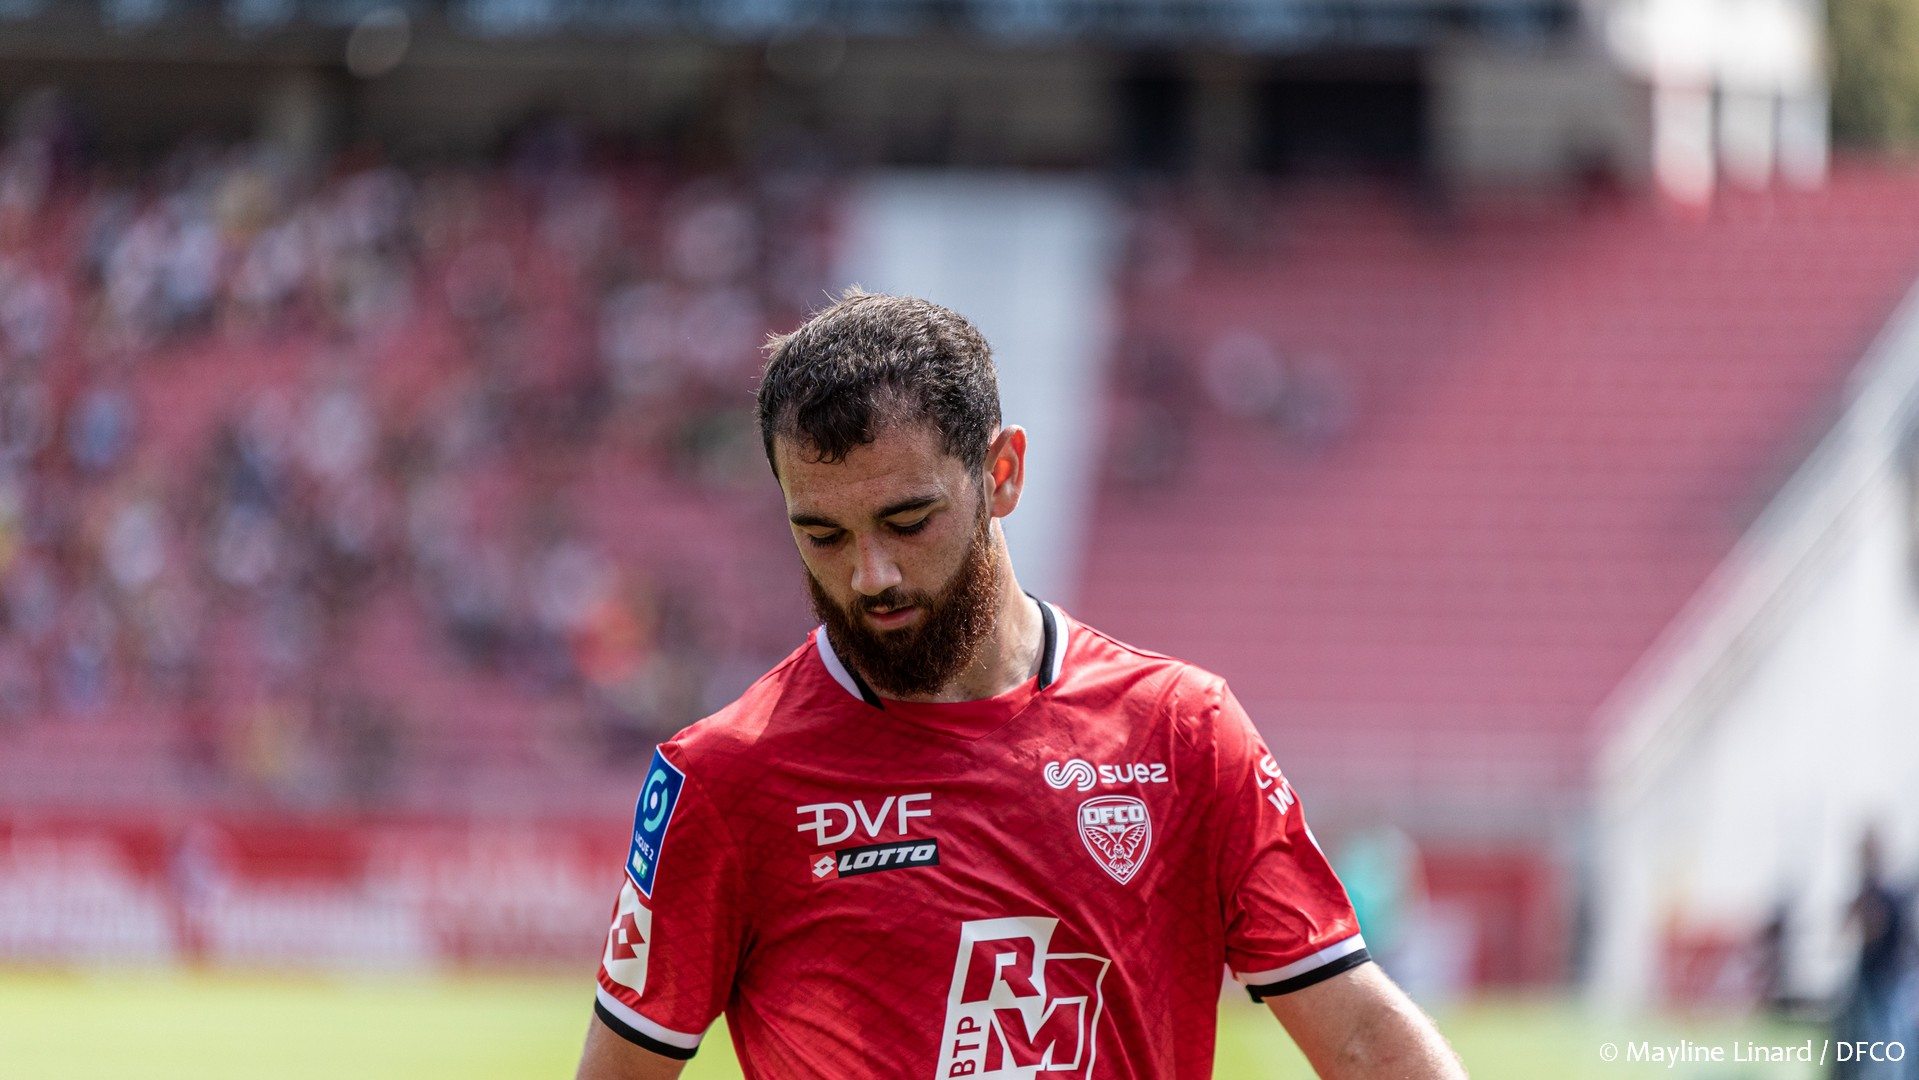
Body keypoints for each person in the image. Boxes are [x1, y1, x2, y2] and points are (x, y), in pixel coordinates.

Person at [575, 291, 1468, 1080]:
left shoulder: (1183, 732)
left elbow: (1360, 1039)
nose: (870, 575)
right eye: (823, 536)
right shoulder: (722, 781)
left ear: (1000, 474)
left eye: (908, 520)